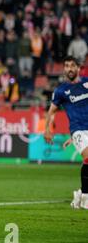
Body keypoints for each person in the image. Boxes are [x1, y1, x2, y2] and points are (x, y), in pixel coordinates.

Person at [45, 56, 88, 209]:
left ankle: (80, 193)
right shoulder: (61, 90)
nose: (69, 69)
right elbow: (51, 112)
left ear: (78, 68)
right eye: (66, 66)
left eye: (72, 66)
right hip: (78, 130)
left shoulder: (86, 83)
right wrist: (47, 129)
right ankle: (85, 197)